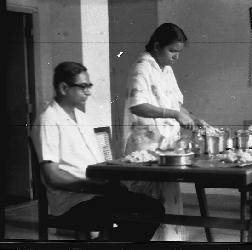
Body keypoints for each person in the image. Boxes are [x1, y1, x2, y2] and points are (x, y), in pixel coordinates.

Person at [32, 61, 165, 241]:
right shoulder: (48, 120)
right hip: (73, 201)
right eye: (83, 86)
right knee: (142, 211)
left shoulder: (81, 117)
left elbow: (96, 162)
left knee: (153, 208)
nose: (88, 91)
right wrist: (96, 186)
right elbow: (52, 176)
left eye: (89, 86)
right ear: (64, 87)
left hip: (95, 192)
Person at [122, 23, 207, 241]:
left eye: (179, 52)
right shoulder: (142, 66)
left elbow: (176, 104)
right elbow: (137, 105)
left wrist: (194, 118)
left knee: (168, 200)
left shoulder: (166, 70)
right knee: (150, 204)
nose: (176, 57)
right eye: (172, 51)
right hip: (145, 146)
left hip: (165, 147)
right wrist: (174, 115)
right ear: (157, 45)